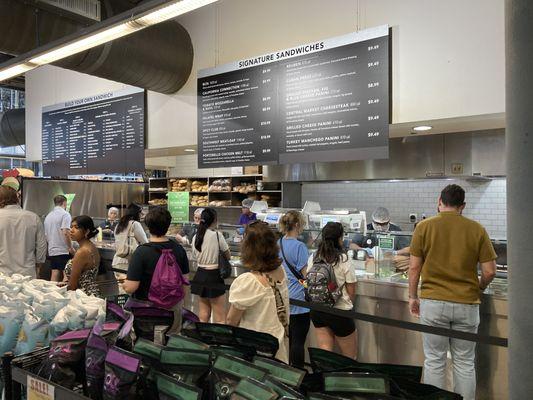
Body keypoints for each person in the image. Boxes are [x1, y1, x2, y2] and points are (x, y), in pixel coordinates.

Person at [408, 184, 497, 400]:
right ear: (462, 206)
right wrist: (479, 287)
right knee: (465, 362)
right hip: (467, 304)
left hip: (433, 303)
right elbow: (490, 271)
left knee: (434, 361)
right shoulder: (477, 229)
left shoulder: (424, 227)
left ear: (439, 202)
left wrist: (413, 296)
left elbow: (414, 267)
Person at [227, 221, 289, 363]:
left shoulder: (249, 281)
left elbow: (231, 321)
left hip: (254, 351)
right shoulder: (281, 271)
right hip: (277, 347)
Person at [123, 207, 190, 334]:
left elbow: (131, 287)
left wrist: (124, 284)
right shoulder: (179, 250)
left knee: (146, 346)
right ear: (168, 225)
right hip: (173, 309)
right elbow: (185, 283)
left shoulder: (141, 252)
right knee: (170, 344)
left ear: (147, 227)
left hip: (147, 310)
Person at [310, 222, 357, 359]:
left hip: (317, 309)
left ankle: (325, 378)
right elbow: (351, 290)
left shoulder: (314, 257)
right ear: (339, 239)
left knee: (325, 353)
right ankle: (346, 380)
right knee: (349, 357)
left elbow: (307, 280)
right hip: (339, 311)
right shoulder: (343, 259)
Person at [278, 210, 310, 368]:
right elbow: (303, 276)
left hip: (283, 296)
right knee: (298, 342)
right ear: (297, 225)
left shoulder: (279, 243)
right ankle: (298, 374)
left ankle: (286, 370)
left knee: (287, 339)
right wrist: (309, 288)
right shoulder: (300, 246)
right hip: (299, 300)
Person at [190, 208, 231, 323]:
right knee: (220, 317)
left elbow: (194, 255)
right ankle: (218, 340)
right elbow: (228, 255)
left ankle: (203, 339)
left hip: (200, 274)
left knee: (203, 314)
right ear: (214, 220)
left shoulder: (195, 237)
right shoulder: (217, 235)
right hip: (214, 276)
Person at [0, 186, 47, 277]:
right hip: (27, 273)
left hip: (2, 274)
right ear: (16, 198)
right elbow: (41, 245)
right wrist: (38, 265)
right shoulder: (33, 217)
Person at [63, 216, 100, 296]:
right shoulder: (90, 246)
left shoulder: (82, 252)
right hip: (92, 294)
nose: (71, 231)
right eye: (71, 227)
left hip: (82, 296)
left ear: (86, 231)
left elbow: (73, 286)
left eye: (76, 227)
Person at [44, 195, 75, 282]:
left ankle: (51, 294)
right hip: (63, 249)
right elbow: (65, 232)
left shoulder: (48, 216)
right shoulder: (65, 214)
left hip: (52, 249)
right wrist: (70, 247)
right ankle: (65, 294)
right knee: (66, 274)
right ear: (64, 203)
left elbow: (46, 235)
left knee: (54, 273)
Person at [112, 203, 148, 275]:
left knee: (121, 286)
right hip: (128, 262)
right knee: (130, 286)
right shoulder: (134, 224)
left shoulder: (119, 224)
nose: (141, 215)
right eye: (141, 213)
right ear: (136, 213)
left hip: (116, 261)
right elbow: (145, 242)